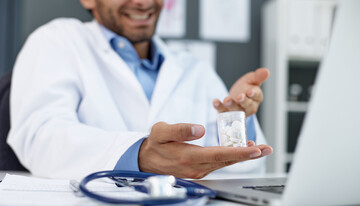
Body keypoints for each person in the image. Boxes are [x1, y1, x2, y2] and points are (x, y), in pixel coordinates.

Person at [7, 0, 273, 179]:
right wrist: (139, 155)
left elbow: (241, 174)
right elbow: (39, 137)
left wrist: (237, 121)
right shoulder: (57, 41)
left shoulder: (194, 69)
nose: (144, 2)